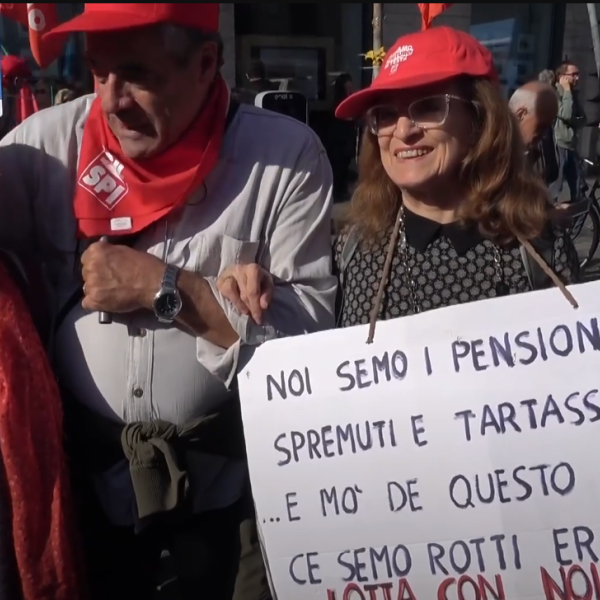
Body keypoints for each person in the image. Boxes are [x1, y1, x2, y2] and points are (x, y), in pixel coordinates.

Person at [0, 3, 335, 599]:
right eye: (98, 74)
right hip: (84, 498)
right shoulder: (41, 150)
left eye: (137, 75)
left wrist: (169, 289)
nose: (110, 100)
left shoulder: (286, 158)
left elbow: (307, 355)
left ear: (207, 62)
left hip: (230, 498)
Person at [215, 27, 579, 335]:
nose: (403, 131)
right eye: (385, 115)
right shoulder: (353, 247)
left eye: (429, 106)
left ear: (480, 119)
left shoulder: (540, 246)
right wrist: (255, 291)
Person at [509, 81, 560, 196]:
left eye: (548, 128)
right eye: (541, 126)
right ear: (521, 114)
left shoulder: (533, 154)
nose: (545, 134)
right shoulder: (489, 152)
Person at [554, 60, 586, 201]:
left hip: (571, 145)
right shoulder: (554, 93)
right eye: (573, 75)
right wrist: (566, 91)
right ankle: (548, 220)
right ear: (562, 76)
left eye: (578, 75)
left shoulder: (573, 95)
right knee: (556, 186)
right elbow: (565, 114)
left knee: (578, 187)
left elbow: (582, 119)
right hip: (559, 145)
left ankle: (577, 221)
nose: (577, 78)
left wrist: (573, 120)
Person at [328, 73, 358, 201]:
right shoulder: (340, 101)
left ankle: (341, 189)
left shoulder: (349, 97)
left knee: (344, 165)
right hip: (341, 137)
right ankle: (338, 190)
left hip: (347, 136)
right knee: (339, 165)